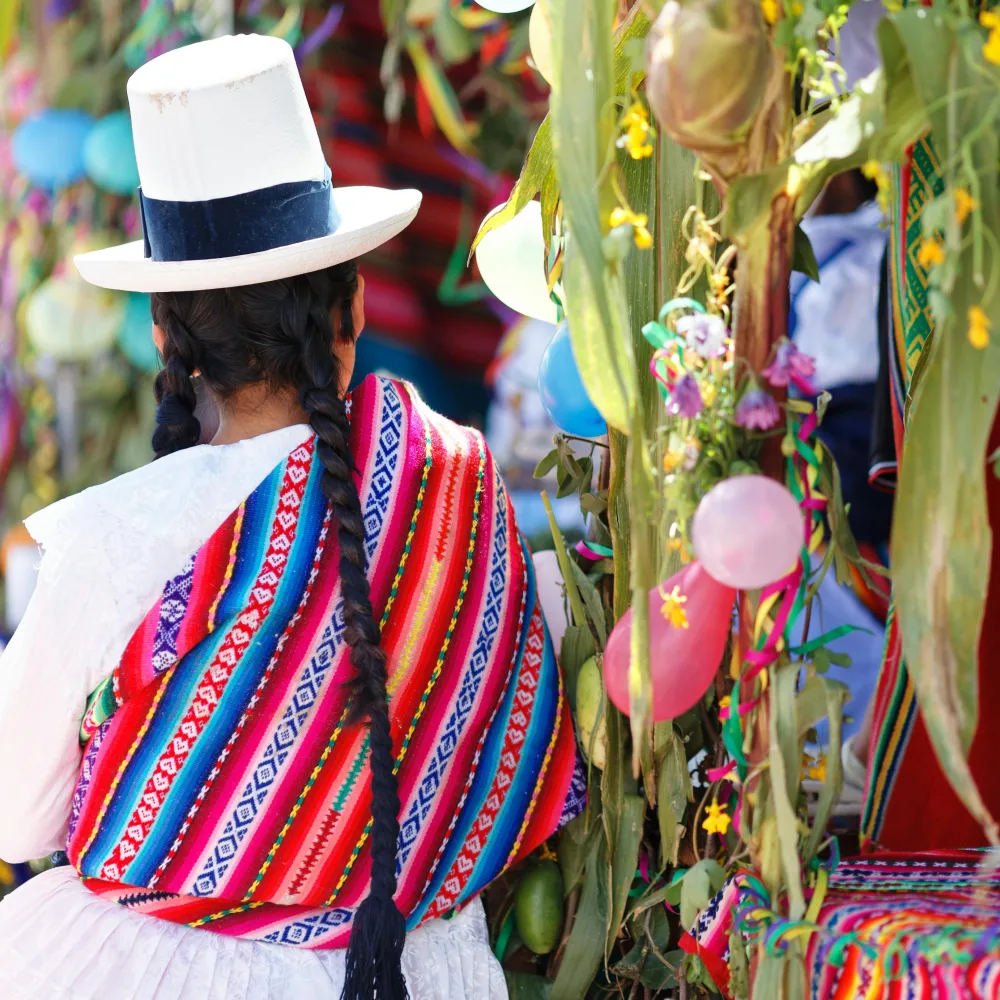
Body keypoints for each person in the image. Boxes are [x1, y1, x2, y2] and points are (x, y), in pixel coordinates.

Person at [0, 35, 582, 1000]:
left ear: (168, 335)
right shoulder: (455, 493)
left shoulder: (116, 538)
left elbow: (17, 813)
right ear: (354, 307)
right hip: (417, 970)